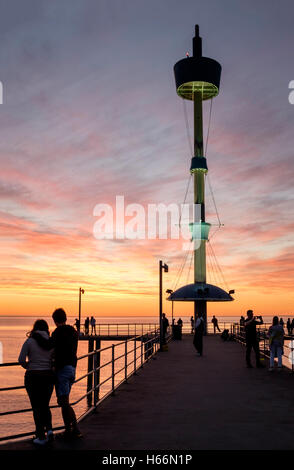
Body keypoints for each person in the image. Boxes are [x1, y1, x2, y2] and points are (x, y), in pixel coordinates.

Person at [32, 308, 82, 440]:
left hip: (63, 370)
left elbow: (48, 345)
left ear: (55, 320)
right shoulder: (73, 331)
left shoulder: (58, 332)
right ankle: (68, 430)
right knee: (63, 400)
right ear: (65, 318)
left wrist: (36, 335)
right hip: (72, 368)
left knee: (64, 402)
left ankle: (76, 430)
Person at [18, 320, 55, 446]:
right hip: (48, 377)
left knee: (36, 407)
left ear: (34, 328)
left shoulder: (29, 341)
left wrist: (30, 365)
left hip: (33, 377)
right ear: (46, 329)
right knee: (45, 405)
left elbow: (21, 359)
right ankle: (49, 430)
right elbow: (54, 360)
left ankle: (41, 436)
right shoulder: (51, 342)